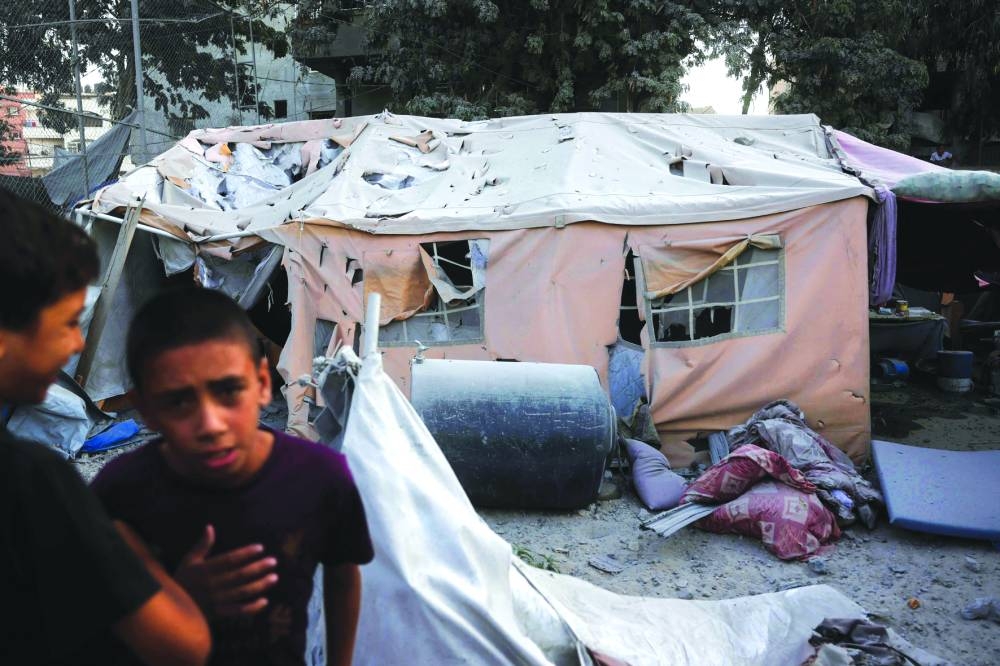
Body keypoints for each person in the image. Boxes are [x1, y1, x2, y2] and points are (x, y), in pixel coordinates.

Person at [92, 287, 374, 666]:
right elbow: (94, 613)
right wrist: (174, 600)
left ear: (262, 384)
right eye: (178, 401)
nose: (211, 424)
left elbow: (343, 573)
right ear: (145, 410)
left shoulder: (321, 477)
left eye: (228, 391)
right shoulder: (119, 493)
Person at [0, 189, 211, 665]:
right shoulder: (28, 478)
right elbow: (183, 644)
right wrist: (152, 565)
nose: (78, 343)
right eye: (67, 324)